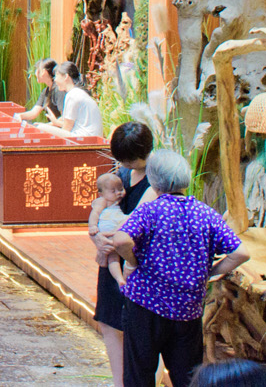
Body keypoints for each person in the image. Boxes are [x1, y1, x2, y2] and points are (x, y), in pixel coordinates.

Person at [109, 150, 247, 387]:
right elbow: (241, 253)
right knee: (188, 378)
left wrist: (132, 262)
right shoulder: (206, 214)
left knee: (139, 375)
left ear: (154, 181)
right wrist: (210, 273)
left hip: (145, 305)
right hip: (187, 310)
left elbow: (121, 240)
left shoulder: (150, 211)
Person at [93, 121, 158, 387]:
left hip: (137, 262)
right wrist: (96, 236)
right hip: (111, 258)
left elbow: (134, 222)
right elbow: (102, 209)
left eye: (131, 159)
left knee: (138, 328)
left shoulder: (157, 179)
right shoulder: (120, 174)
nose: (126, 164)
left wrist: (107, 238)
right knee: (109, 322)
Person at [91, 171, 134, 285]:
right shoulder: (102, 202)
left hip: (118, 229)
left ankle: (125, 276)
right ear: (101, 193)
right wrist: (93, 226)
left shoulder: (117, 203)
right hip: (109, 231)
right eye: (113, 191)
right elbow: (94, 214)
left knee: (125, 253)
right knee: (113, 257)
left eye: (120, 189)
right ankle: (119, 278)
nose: (118, 193)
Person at [52, 61, 105, 136]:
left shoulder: (72, 95)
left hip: (84, 138)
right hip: (91, 136)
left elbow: (66, 128)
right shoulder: (78, 93)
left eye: (57, 75)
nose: (55, 80)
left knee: (40, 127)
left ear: (66, 76)